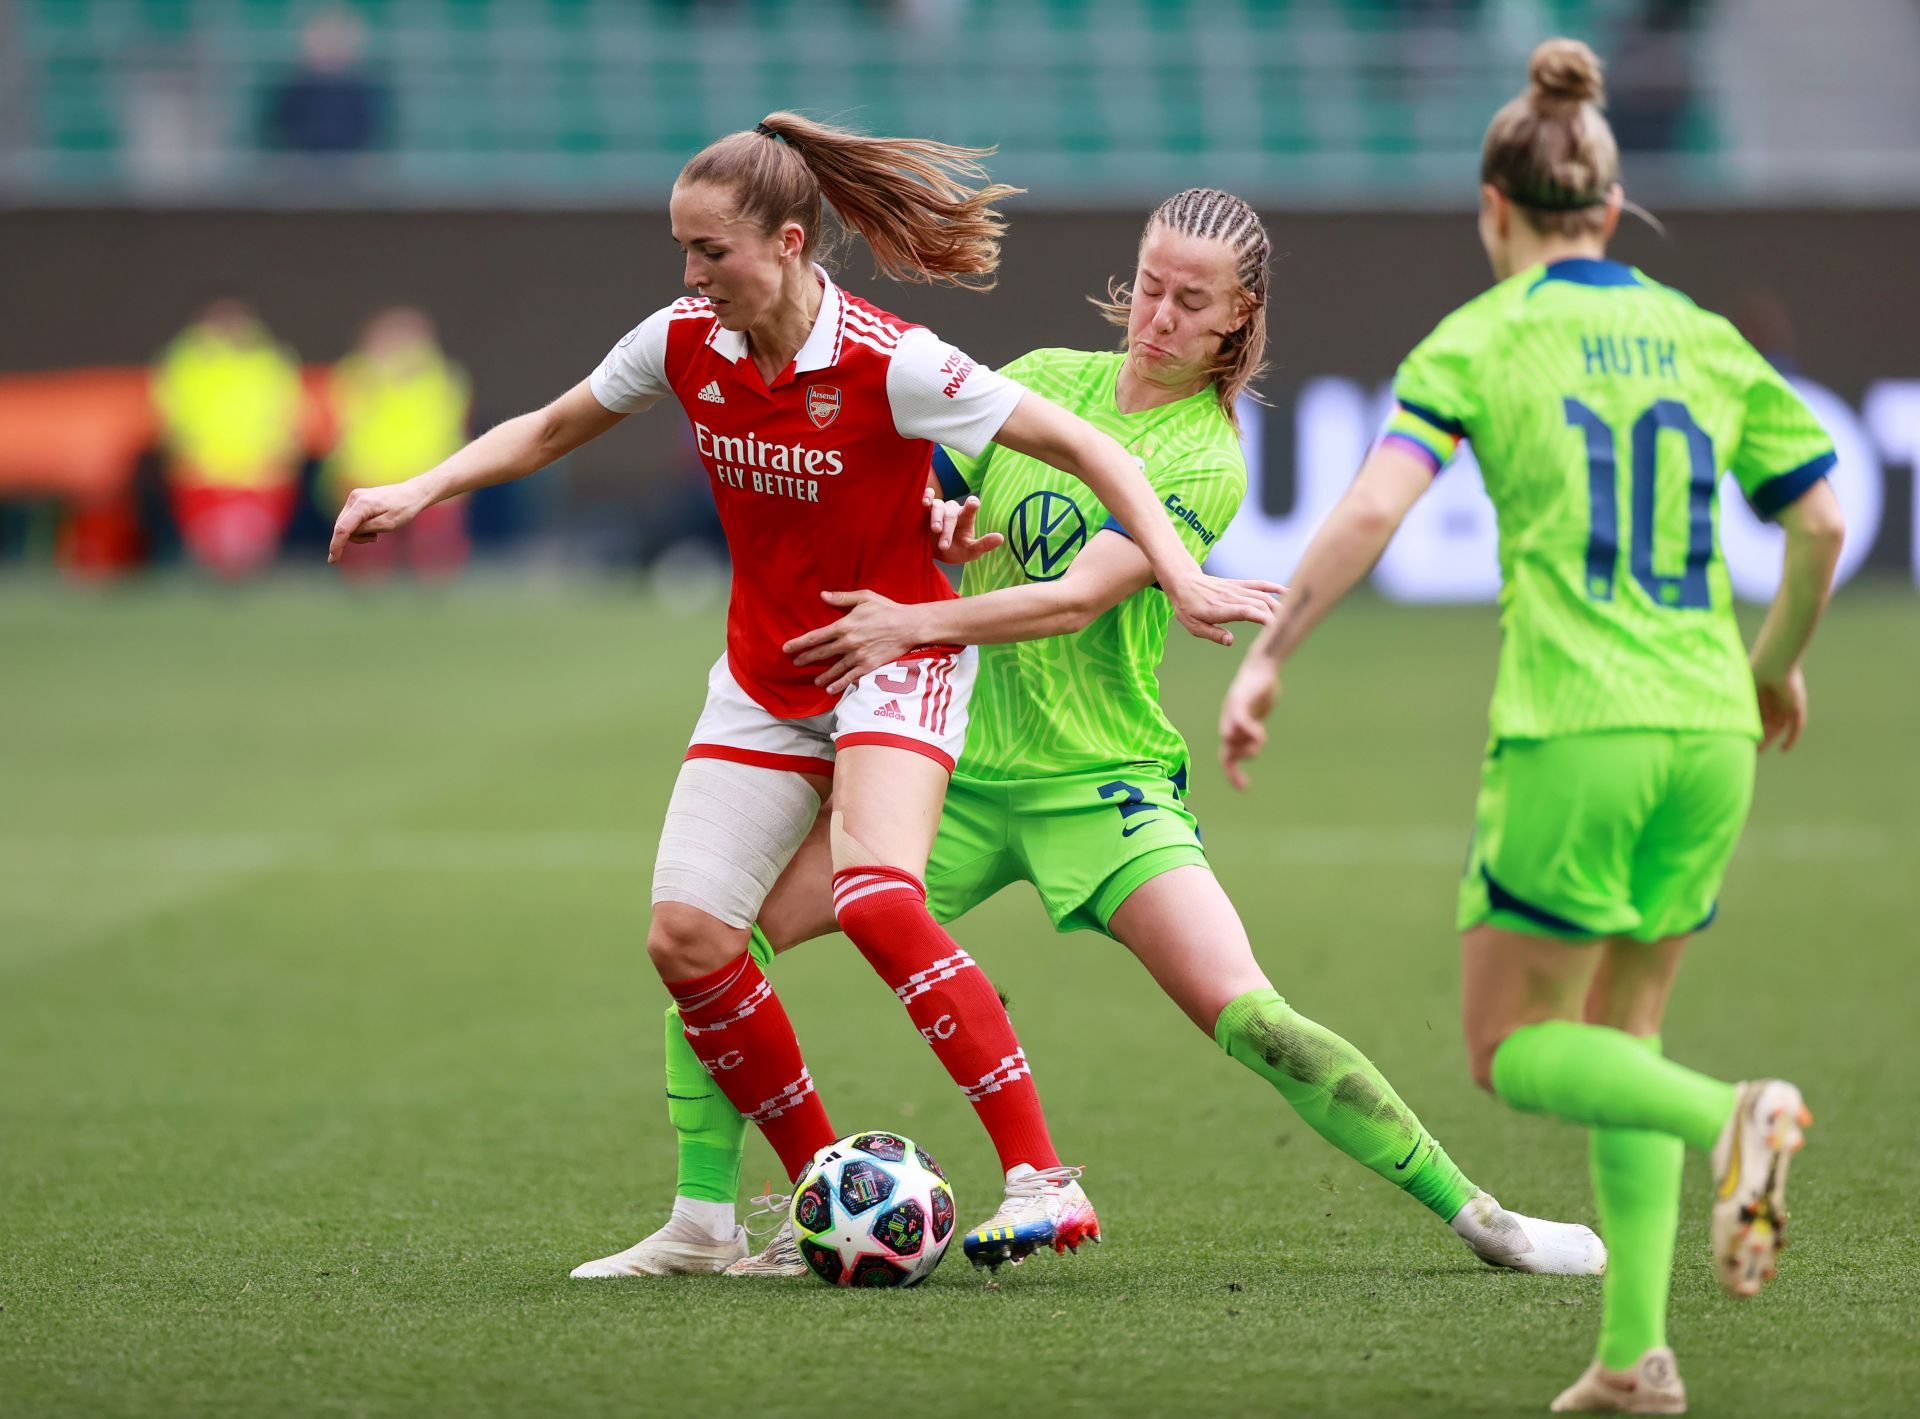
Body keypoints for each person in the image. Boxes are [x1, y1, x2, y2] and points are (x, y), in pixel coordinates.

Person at [586, 187, 1606, 1284]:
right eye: (1151, 286)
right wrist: (944, 531)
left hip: (1102, 786)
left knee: (1257, 1019)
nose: (1157, 316)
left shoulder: (1206, 455)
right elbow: (934, 512)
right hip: (961, 773)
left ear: (1237, 317)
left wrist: (917, 616)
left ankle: (1483, 1217)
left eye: (1190, 301)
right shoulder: (1046, 377)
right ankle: (704, 1216)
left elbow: (1074, 597)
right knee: (712, 942)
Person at [328, 116, 1279, 1267]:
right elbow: (553, 426)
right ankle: (748, 1215)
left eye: (710, 252)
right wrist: (418, 489)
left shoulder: (893, 359)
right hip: (765, 676)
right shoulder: (684, 340)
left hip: (896, 660)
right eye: (680, 249)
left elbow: (1101, 453)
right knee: (688, 939)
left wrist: (1181, 578)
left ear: (784, 243)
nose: (690, 276)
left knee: (880, 896)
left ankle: (1041, 1172)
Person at [1219, 40, 1844, 1415]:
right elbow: (1823, 516)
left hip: (1578, 727)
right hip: (1710, 729)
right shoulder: (1702, 333)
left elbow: (1377, 507)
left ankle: (1732, 1116)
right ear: (1612, 213)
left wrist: (1271, 651)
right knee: (1625, 1027)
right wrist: (1776, 662)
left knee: (1513, 1045)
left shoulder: (1482, 337)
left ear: (1492, 211)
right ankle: (1634, 1357)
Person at [152, 298, 305, 577]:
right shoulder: (186, 361)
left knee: (245, 552)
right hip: (201, 473)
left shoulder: (270, 361)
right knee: (212, 553)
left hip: (259, 474)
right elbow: (170, 413)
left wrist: (281, 452)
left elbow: (290, 413)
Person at [323, 307, 472, 581]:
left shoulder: (441, 378)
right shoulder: (356, 375)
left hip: (429, 476)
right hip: (369, 476)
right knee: (367, 559)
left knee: (434, 555)